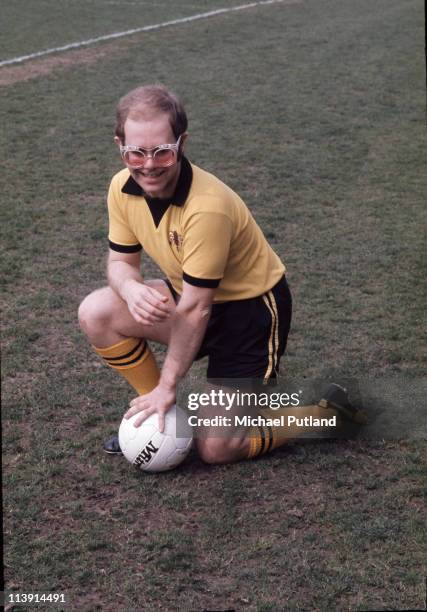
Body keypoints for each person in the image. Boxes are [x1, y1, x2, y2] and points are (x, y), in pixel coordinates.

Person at [78, 84, 364, 465]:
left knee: (218, 449)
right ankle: (159, 417)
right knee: (97, 311)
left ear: (181, 143)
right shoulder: (121, 188)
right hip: (190, 297)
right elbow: (119, 264)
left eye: (162, 152)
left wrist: (169, 382)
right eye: (136, 152)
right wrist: (130, 288)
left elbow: (196, 310)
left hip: (249, 317)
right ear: (120, 146)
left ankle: (329, 413)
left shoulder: (206, 208)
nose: (148, 164)